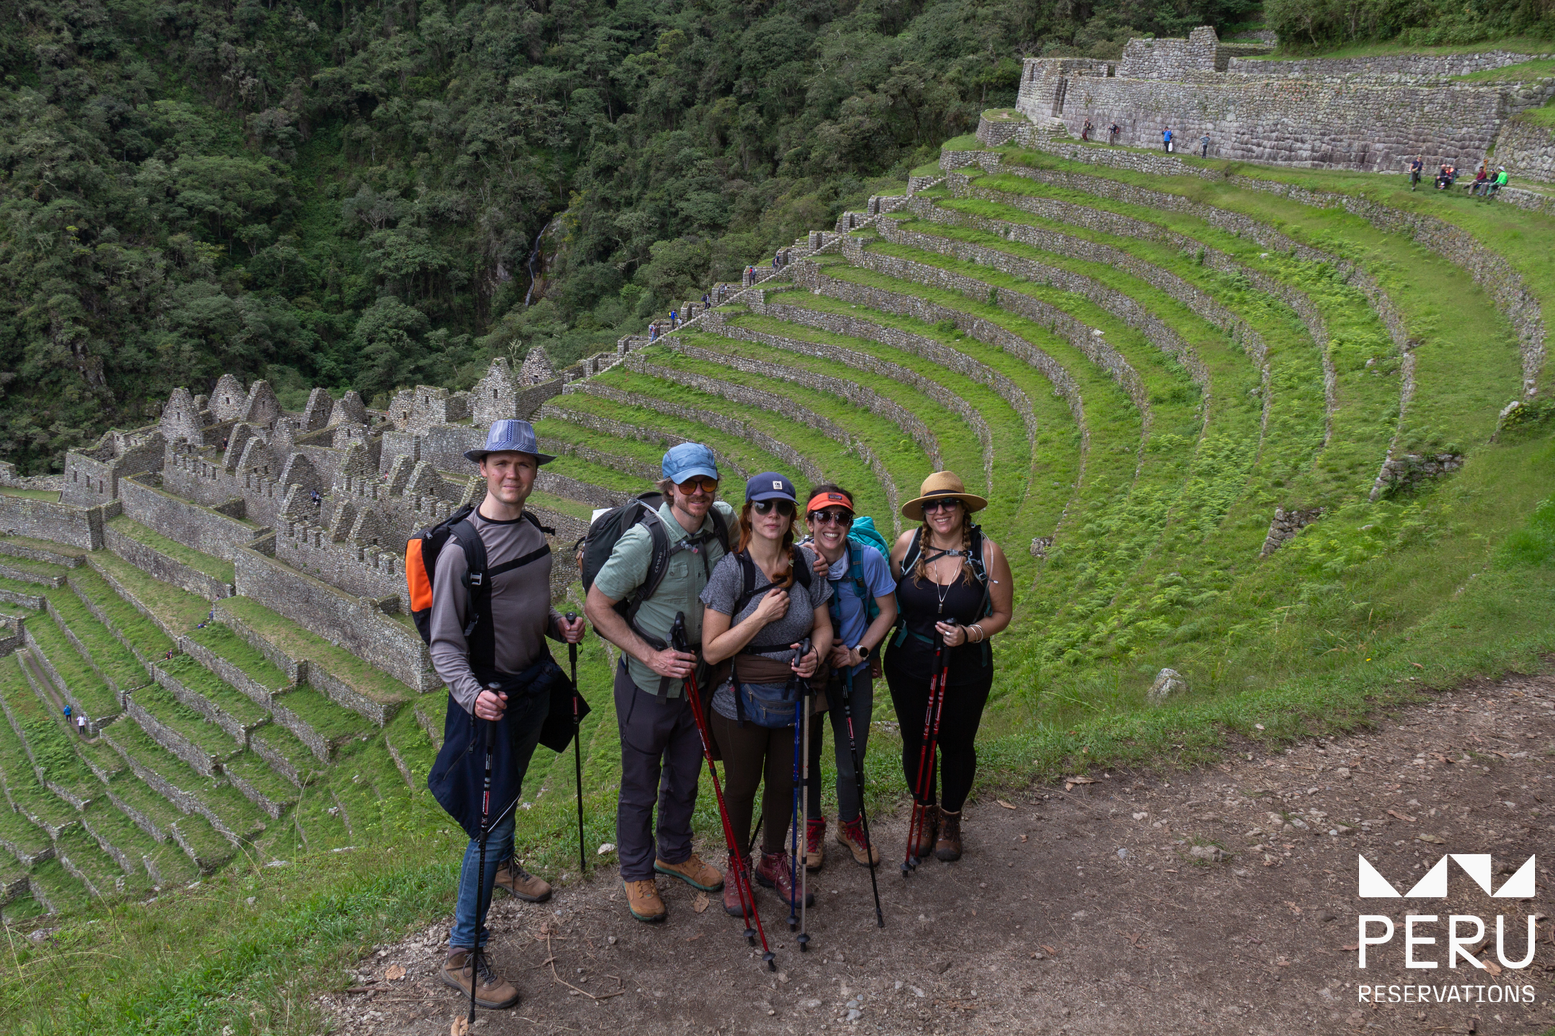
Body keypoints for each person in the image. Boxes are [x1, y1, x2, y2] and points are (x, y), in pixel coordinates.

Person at [430, 419, 585, 1010]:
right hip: (488, 704)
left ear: (534, 472)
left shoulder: (532, 533)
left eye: (523, 464)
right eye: (501, 464)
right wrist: (472, 695)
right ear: (483, 469)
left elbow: (529, 607)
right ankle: (461, 953)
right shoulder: (461, 550)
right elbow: (445, 643)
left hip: (531, 689)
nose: (512, 474)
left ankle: (503, 869)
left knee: (510, 792)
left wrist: (557, 625)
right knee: (488, 826)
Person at [585, 443, 733, 924]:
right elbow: (597, 606)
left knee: (686, 776)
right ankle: (636, 872)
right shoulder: (643, 542)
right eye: (688, 484)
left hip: (698, 683)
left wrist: (807, 555)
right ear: (669, 488)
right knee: (640, 785)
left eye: (706, 482)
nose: (698, 492)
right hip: (647, 687)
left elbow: (764, 540)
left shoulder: (722, 522)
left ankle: (674, 852)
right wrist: (651, 655)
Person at [700, 473, 831, 915]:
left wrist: (816, 653)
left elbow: (824, 627)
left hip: (794, 691)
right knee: (741, 785)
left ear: (792, 516)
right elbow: (712, 648)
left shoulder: (806, 564)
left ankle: (773, 860)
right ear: (748, 514)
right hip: (738, 697)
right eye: (763, 506)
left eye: (782, 508)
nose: (773, 515)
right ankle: (737, 866)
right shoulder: (731, 571)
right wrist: (760, 616)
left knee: (784, 782)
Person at [885, 472, 1013, 863]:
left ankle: (950, 819)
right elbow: (884, 601)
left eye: (948, 502)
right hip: (909, 664)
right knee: (915, 741)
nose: (940, 511)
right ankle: (924, 812)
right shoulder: (907, 547)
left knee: (957, 745)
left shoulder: (988, 554)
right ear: (923, 512)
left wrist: (969, 633)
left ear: (963, 507)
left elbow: (1002, 614)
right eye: (931, 505)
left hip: (966, 667)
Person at [800, 485, 897, 869]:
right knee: (805, 758)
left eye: (841, 517)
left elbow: (888, 611)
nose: (832, 524)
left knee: (850, 759)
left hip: (852, 673)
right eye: (823, 516)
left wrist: (860, 652)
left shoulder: (867, 559)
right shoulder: (795, 559)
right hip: (809, 675)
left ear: (849, 522)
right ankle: (812, 827)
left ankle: (850, 825)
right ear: (809, 522)